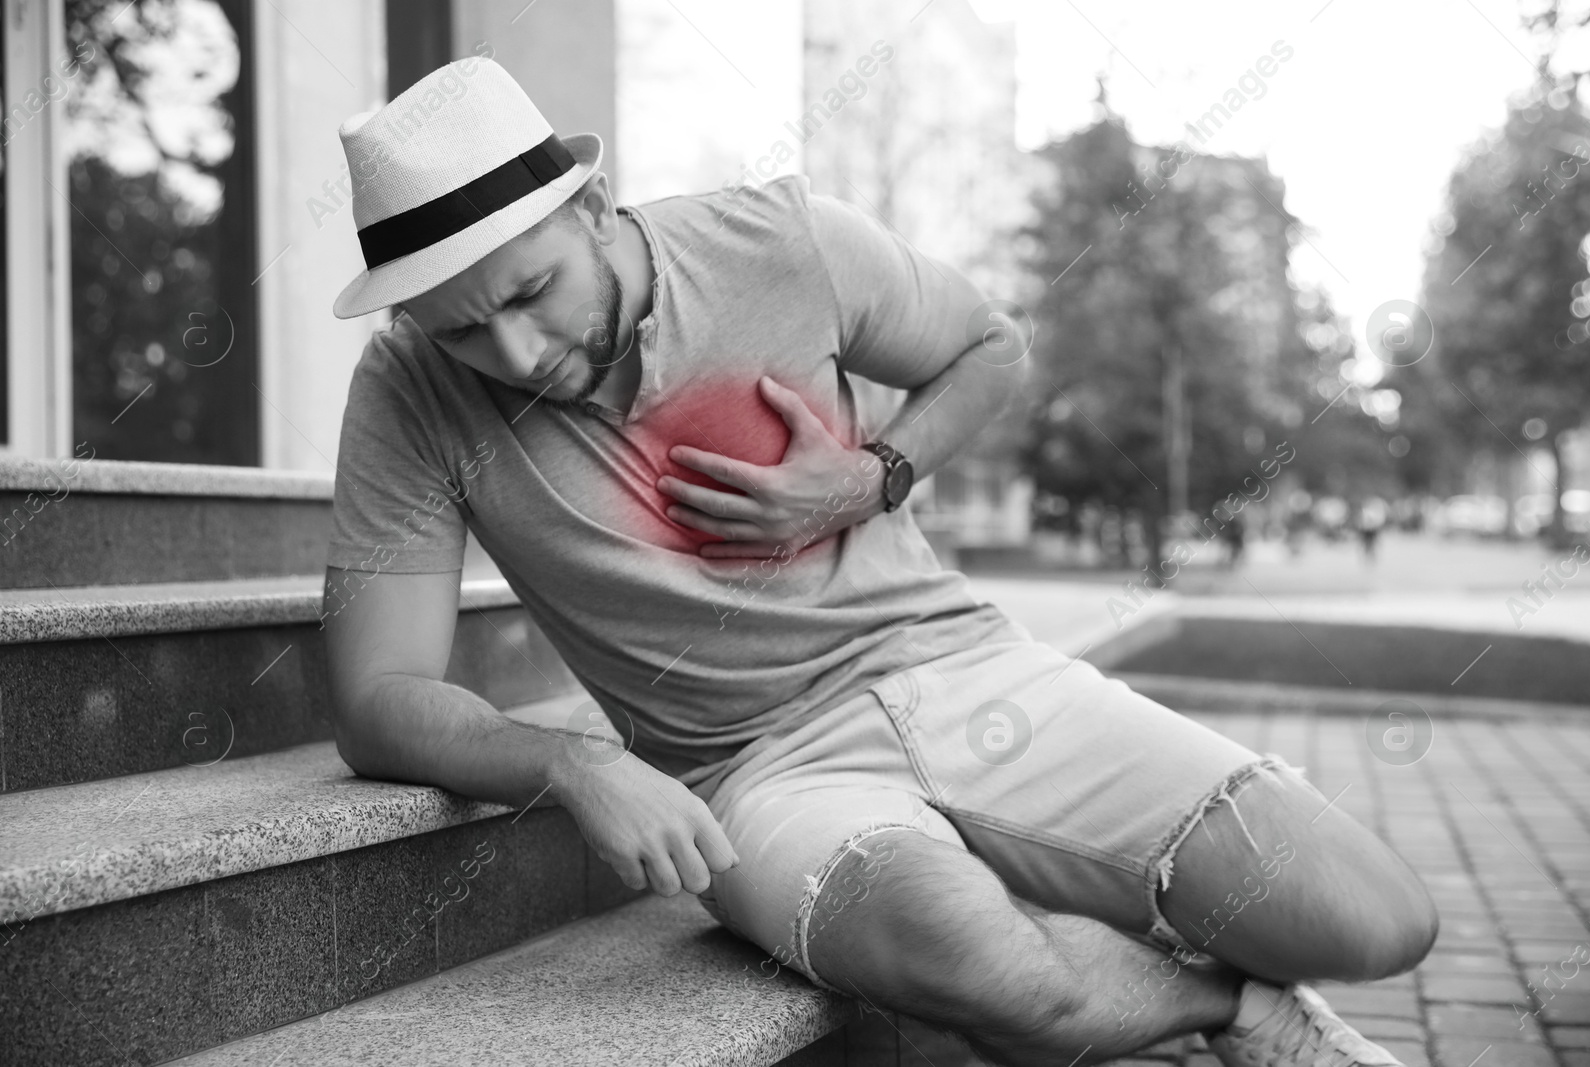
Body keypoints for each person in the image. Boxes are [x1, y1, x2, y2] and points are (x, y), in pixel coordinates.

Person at [322, 59, 1436, 1066]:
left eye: (528, 292)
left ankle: (1080, 914)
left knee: (1373, 917)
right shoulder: (407, 388)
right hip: (760, 772)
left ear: (593, 205)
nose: (515, 356)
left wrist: (872, 474)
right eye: (463, 330)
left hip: (962, 664)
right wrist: (575, 764)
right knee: (999, 977)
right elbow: (378, 700)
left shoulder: (776, 241)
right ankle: (1227, 1006)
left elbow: (990, 345)